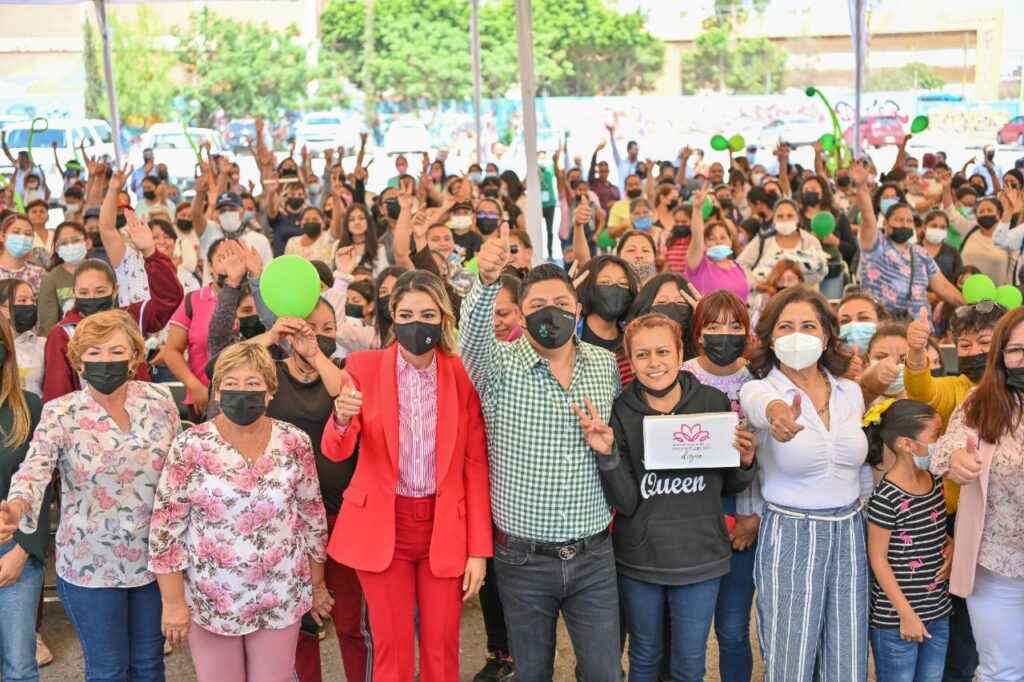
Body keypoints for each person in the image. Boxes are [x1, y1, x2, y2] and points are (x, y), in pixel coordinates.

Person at [460, 226, 623, 681]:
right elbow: (470, 340)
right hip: (523, 560)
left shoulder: (604, 364)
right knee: (531, 673)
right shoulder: (498, 365)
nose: (551, 312)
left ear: (578, 308)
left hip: (593, 555)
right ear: (521, 314)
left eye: (561, 303)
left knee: (605, 673)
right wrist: (486, 281)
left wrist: (608, 446)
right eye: (536, 305)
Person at [325, 270, 491, 681]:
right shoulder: (362, 366)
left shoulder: (462, 374)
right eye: (407, 314)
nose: (417, 323)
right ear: (393, 317)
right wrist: (341, 419)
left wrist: (478, 551)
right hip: (383, 525)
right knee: (392, 651)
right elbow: (336, 450)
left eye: (428, 314)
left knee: (442, 651)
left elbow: (474, 465)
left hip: (444, 526)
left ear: (444, 318)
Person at [2, 310, 181, 681]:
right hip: (91, 565)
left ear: (134, 356)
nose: (105, 360)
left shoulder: (160, 401)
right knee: (108, 670)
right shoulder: (61, 412)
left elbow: (180, 474)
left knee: (149, 666)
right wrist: (17, 507)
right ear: (79, 360)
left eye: (116, 351)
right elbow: (35, 469)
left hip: (155, 563)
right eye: (94, 352)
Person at [582, 312, 755, 681]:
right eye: (642, 354)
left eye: (662, 351)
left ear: (680, 353)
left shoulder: (712, 402)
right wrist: (608, 455)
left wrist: (745, 461)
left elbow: (728, 484)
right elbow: (626, 502)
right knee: (644, 656)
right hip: (640, 557)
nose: (653, 363)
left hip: (701, 556)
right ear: (629, 361)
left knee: (689, 664)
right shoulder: (621, 411)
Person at [147, 342, 330, 682]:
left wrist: (317, 586)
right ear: (216, 391)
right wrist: (172, 603)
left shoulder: (294, 441)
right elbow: (166, 530)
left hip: (280, 593)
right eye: (230, 383)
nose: (241, 391)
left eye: (253, 383)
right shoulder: (190, 446)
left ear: (270, 391)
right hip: (212, 597)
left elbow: (312, 518)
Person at [739, 286, 871, 680]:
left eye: (809, 326)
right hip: (792, 532)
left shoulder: (850, 392)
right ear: (771, 338)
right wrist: (779, 413)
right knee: (791, 660)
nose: (798, 335)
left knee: (847, 655)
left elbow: (860, 470)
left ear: (826, 336)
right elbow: (763, 408)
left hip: (850, 531)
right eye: (786, 327)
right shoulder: (760, 388)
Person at [932, 305, 1024, 681]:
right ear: (1000, 355)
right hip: (997, 567)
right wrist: (958, 459)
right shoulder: (981, 402)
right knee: (1001, 670)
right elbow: (947, 448)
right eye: (1016, 349)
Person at [681, 290, 763, 682]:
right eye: (714, 326)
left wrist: (753, 516)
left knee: (732, 629)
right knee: (688, 634)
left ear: (747, 332)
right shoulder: (680, 376)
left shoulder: (759, 381)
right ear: (698, 333)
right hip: (692, 517)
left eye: (735, 326)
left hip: (743, 513)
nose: (724, 334)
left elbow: (770, 457)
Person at [42, 217, 183, 403]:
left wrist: (150, 252)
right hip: (86, 417)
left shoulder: (130, 318)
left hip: (137, 411)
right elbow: (57, 394)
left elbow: (169, 298)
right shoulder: (62, 333)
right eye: (84, 292)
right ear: (74, 292)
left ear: (115, 290)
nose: (92, 297)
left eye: (100, 291)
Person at [865, 399, 952, 682]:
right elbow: (877, 558)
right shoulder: (886, 497)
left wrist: (950, 544)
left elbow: (931, 530)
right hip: (896, 621)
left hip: (937, 612)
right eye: (936, 435)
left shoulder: (935, 480)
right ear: (906, 444)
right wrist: (907, 615)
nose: (942, 443)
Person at [852, 160, 964, 320]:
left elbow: (944, 287)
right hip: (882, 326)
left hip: (919, 327)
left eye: (908, 221)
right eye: (899, 220)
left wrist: (970, 307)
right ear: (886, 224)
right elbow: (868, 218)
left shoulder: (920, 253)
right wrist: (861, 186)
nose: (904, 224)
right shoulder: (875, 244)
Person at [0, 316, 43, 682]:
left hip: (14, 551)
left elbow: (46, 490)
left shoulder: (30, 408)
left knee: (19, 667)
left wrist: (24, 550)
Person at [162, 238, 242, 419]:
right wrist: (195, 387)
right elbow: (171, 351)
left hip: (248, 400)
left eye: (236, 257)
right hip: (203, 402)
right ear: (210, 266)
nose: (229, 264)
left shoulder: (252, 300)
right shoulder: (194, 300)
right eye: (222, 258)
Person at [736, 198, 829, 287]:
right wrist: (754, 284)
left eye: (790, 216)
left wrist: (797, 281)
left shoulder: (810, 241)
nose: (785, 220)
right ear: (774, 219)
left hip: (804, 295)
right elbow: (740, 264)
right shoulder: (762, 241)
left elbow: (821, 270)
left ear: (797, 217)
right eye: (780, 216)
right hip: (769, 296)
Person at [686, 184, 749, 303]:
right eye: (712, 238)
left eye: (723, 237)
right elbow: (697, 237)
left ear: (730, 242)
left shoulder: (739, 267)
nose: (718, 241)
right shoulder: (699, 265)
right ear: (705, 244)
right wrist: (697, 209)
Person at [37, 221, 92, 335]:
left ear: (88, 243)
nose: (70, 246)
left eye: (75, 240)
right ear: (57, 249)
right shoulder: (50, 280)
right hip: (66, 340)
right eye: (64, 243)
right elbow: (48, 327)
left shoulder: (102, 271)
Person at [0, 279, 45, 397]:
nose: (30, 305)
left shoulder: (43, 345)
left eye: (33, 300)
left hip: (36, 407)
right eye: (22, 300)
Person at [0, 215, 46, 295]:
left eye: (28, 234)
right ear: (2, 236)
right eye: (16, 232)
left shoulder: (39, 274)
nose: (22, 237)